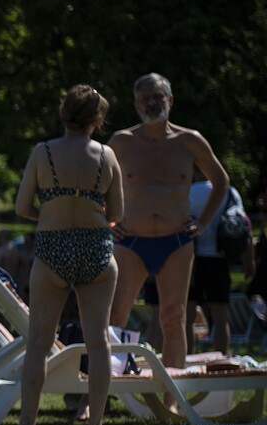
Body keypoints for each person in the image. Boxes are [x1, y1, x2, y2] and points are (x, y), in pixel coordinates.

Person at [1, 84, 123, 425]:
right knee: (98, 341)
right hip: (95, 247)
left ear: (63, 113)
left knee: (39, 342)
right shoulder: (107, 155)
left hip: (53, 246)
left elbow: (22, 206)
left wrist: (50, 213)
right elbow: (117, 214)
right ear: (97, 119)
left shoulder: (43, 152)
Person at [108, 73, 229, 373]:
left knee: (173, 318)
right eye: (145, 99)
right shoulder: (122, 141)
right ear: (136, 104)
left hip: (176, 241)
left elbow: (221, 181)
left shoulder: (189, 141)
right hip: (131, 241)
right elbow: (96, 184)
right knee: (115, 318)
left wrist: (203, 223)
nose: (151, 103)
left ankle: (171, 394)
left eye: (157, 97)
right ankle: (100, 391)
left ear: (170, 100)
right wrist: (109, 221)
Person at [186, 169, 255, 354]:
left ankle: (185, 362)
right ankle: (222, 361)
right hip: (219, 258)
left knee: (187, 318)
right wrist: (249, 259)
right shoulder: (229, 191)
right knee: (221, 317)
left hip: (191, 261)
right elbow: (245, 226)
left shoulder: (188, 192)